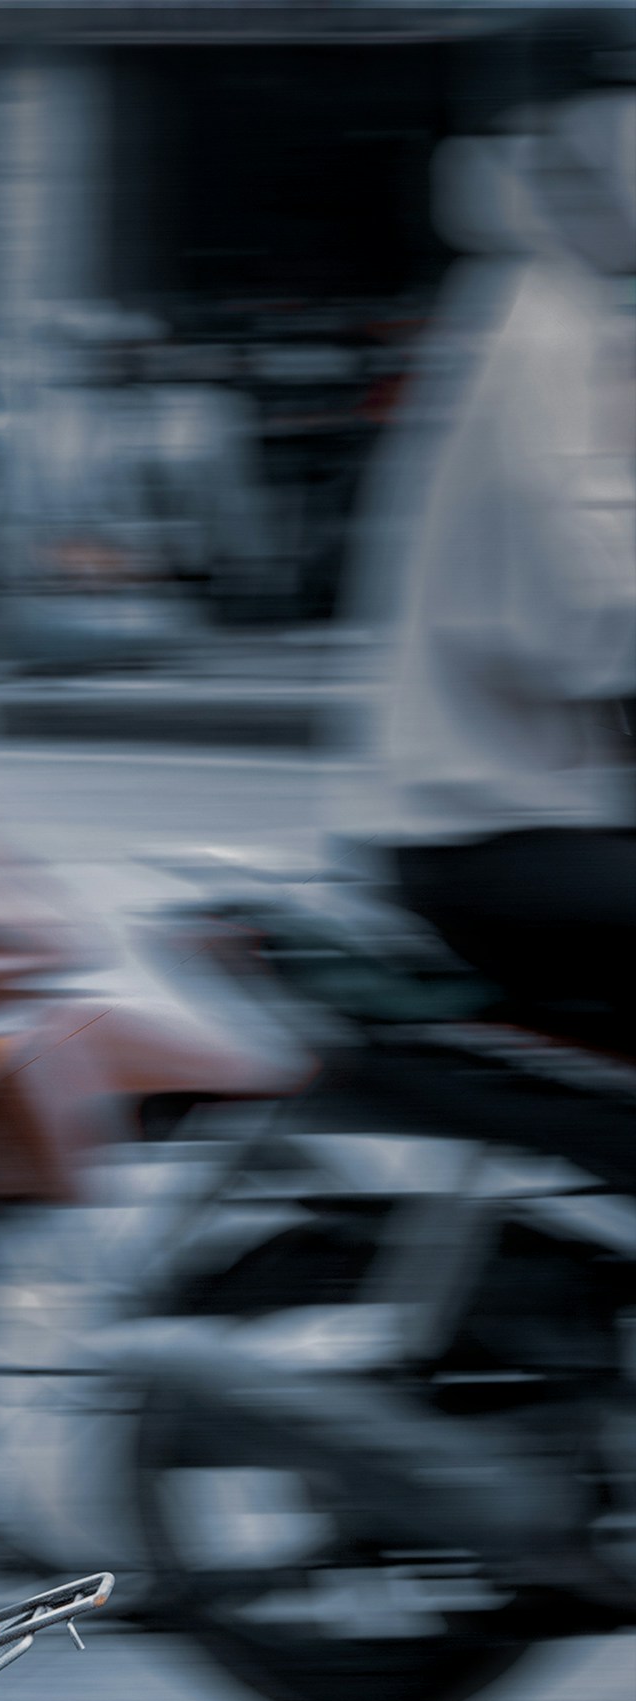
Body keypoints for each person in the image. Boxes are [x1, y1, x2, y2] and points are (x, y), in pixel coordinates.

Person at [361, 92, 636, 1040]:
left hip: (534, 822)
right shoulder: (548, 331)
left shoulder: (552, 316)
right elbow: (578, 611)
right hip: (493, 834)